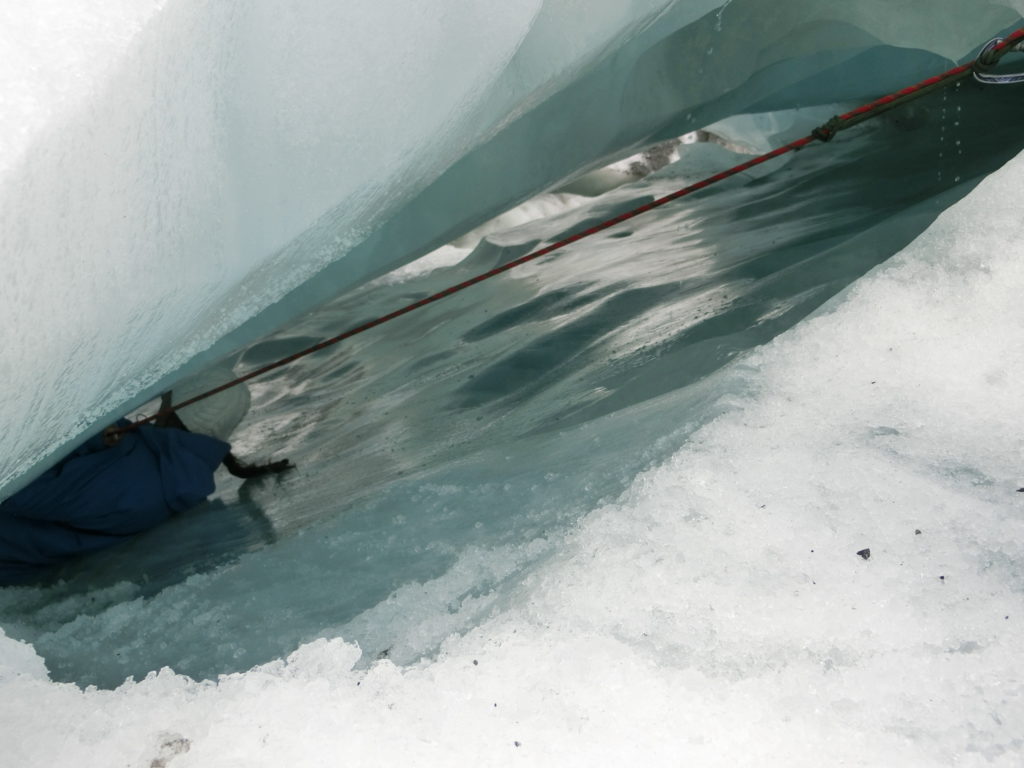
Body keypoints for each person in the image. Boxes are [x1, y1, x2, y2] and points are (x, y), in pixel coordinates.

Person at [0, 361, 290, 584]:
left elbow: (18, 491)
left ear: (172, 409)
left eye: (166, 399)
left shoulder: (142, 481)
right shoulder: (165, 466)